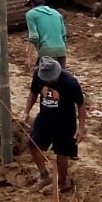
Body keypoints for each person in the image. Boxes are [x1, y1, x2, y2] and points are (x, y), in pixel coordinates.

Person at [22, 56, 86, 191]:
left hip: (65, 122)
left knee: (62, 153)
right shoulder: (38, 75)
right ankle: (44, 176)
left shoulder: (70, 82)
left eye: (51, 78)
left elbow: (81, 104)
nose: (49, 81)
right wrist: (26, 112)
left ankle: (62, 183)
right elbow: (33, 93)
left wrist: (81, 128)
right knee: (33, 143)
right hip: (44, 118)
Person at [25, 0, 66, 69]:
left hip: (47, 52)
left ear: (32, 4)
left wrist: (28, 56)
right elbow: (64, 35)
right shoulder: (56, 13)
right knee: (60, 75)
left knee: (46, 75)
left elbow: (34, 36)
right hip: (61, 50)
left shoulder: (31, 14)